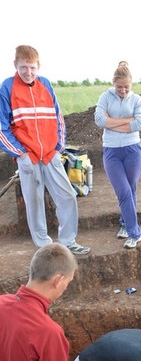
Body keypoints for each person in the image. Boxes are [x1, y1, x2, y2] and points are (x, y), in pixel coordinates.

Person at [0, 45, 90, 254]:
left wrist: (58, 148)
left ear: (38, 67)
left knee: (67, 196)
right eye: (23, 67)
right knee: (34, 202)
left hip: (51, 154)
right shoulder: (7, 87)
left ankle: (68, 241)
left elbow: (59, 118)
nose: (28, 72)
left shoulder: (46, 85)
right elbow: (1, 126)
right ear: (15, 65)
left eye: (32, 67)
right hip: (27, 157)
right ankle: (44, 246)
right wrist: (20, 154)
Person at [94, 61, 141, 249]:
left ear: (131, 84)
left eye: (126, 87)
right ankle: (135, 233)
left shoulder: (137, 99)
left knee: (130, 189)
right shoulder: (105, 97)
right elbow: (99, 120)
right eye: (119, 87)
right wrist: (126, 121)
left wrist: (111, 122)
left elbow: (140, 124)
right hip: (111, 151)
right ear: (113, 84)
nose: (122, 91)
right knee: (123, 191)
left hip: (133, 150)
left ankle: (126, 225)